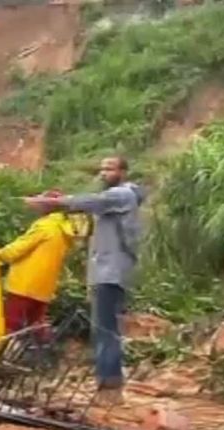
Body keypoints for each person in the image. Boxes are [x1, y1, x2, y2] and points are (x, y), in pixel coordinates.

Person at [25, 156, 145, 403]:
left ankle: (109, 389)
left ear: (123, 172)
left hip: (109, 274)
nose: (103, 173)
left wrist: (51, 203)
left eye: (109, 169)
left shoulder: (121, 195)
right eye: (102, 169)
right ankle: (108, 384)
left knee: (105, 330)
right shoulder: (116, 200)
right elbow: (88, 211)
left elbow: (90, 201)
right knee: (104, 328)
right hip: (107, 272)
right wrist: (58, 201)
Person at [0, 191, 77, 337]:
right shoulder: (65, 229)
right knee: (35, 327)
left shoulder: (45, 226)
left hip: (24, 285)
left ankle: (5, 357)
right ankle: (40, 357)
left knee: (11, 326)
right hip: (44, 289)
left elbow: (17, 249)